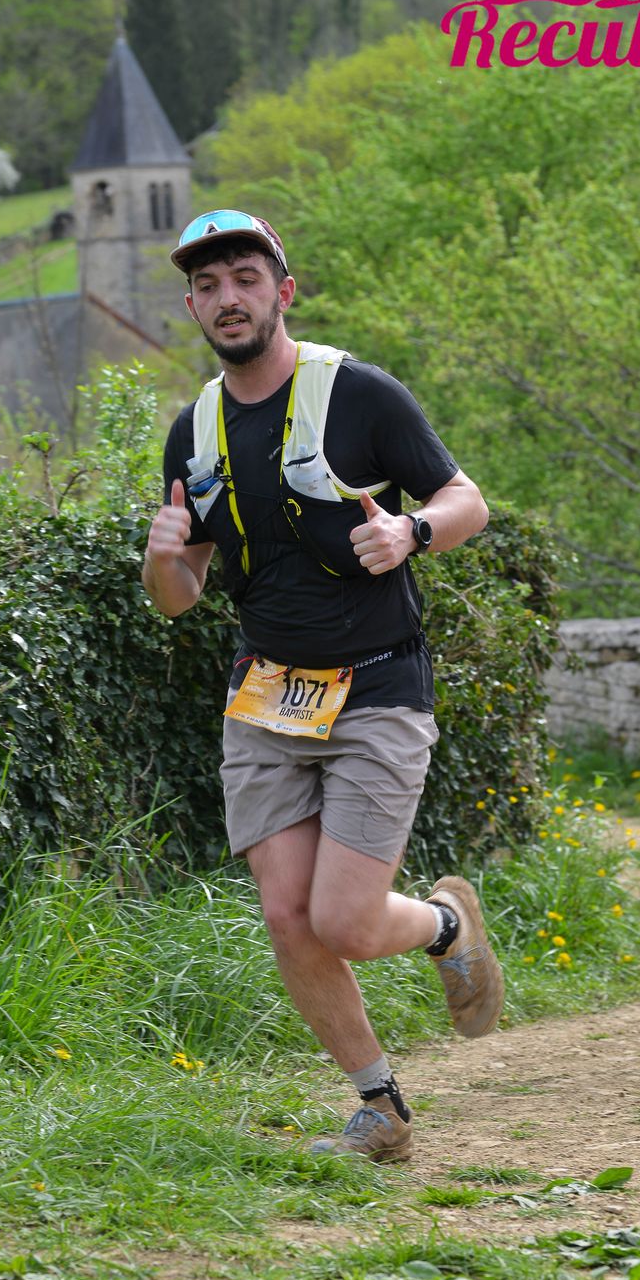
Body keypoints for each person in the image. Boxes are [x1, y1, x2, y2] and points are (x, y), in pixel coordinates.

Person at [142, 208, 503, 1162]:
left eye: (245, 278)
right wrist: (162, 557)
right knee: (284, 914)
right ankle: (379, 1106)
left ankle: (443, 923)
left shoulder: (359, 394)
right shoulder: (194, 430)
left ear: (283, 291)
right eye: (208, 286)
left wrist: (411, 533)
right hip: (265, 695)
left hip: (378, 685)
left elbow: (466, 500)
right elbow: (179, 598)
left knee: (341, 919)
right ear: (192, 307)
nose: (227, 298)